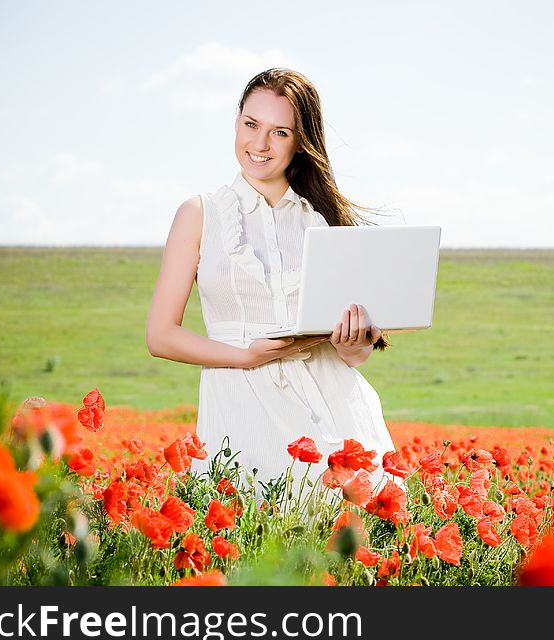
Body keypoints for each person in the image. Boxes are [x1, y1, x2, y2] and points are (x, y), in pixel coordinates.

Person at [145, 68, 398, 498]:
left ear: (301, 141)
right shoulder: (199, 213)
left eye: (279, 132)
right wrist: (245, 357)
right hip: (241, 409)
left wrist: (352, 342)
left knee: (342, 554)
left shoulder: (324, 221)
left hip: (334, 413)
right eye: (250, 125)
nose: (259, 145)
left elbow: (353, 357)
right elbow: (160, 336)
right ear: (237, 121)